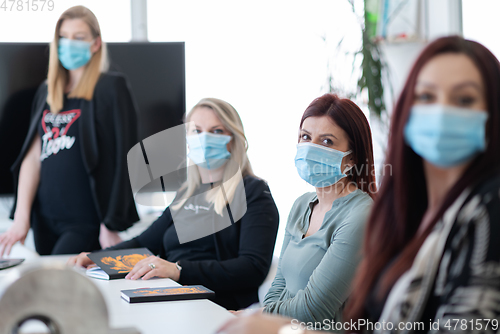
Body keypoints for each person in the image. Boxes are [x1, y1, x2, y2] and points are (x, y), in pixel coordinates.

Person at [219, 36, 500, 334]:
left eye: (465, 100)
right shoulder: (411, 213)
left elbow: (315, 310)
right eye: (427, 97)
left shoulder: (487, 210)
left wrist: (278, 327)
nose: (442, 114)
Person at [68, 97, 280, 311]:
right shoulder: (187, 192)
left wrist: (178, 269)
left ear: (233, 139)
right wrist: (98, 257)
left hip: (219, 305)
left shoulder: (254, 192)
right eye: (197, 131)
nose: (204, 138)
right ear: (187, 139)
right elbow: (147, 241)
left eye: (216, 131)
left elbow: (252, 268)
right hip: (171, 295)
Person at [0, 6, 139, 256]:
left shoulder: (111, 87)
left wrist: (111, 222)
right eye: (63, 37)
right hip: (45, 220)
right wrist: (21, 219)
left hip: (84, 221)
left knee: (57, 285)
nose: (69, 43)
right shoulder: (46, 91)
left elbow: (126, 158)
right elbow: (33, 158)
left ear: (95, 44)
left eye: (78, 37)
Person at [259, 94, 375, 324]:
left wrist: (260, 319)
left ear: (351, 159)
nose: (310, 149)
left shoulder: (361, 214)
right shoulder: (301, 204)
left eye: (326, 141)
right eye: (305, 137)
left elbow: (313, 311)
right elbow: (277, 287)